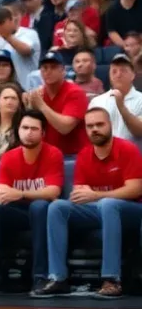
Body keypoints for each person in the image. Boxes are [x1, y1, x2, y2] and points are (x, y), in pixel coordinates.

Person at [35, 107, 142, 298]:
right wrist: (93, 196)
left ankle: (112, 279)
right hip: (100, 209)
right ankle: (57, 277)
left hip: (131, 210)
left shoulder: (127, 149)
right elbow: (80, 195)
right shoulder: (85, 155)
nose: (94, 129)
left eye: (99, 124)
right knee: (57, 207)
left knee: (109, 203)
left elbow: (135, 189)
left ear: (110, 125)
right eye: (90, 126)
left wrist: (95, 195)